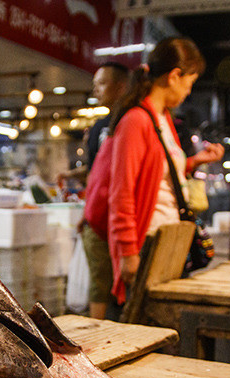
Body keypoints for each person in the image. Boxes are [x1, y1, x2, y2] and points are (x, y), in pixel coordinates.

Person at [106, 37, 225, 308]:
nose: (188, 92)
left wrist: (194, 162)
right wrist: (128, 254)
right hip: (148, 244)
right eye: (189, 83)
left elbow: (157, 173)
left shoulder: (163, 119)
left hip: (170, 240)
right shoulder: (136, 120)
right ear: (174, 76)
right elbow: (121, 193)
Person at [78, 62, 130, 320]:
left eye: (102, 83)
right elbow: (94, 174)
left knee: (126, 290)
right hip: (98, 219)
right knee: (100, 284)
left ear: (120, 86)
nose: (96, 90)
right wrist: (86, 211)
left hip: (123, 217)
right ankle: (95, 349)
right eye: (95, 84)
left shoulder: (132, 120)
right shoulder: (99, 126)